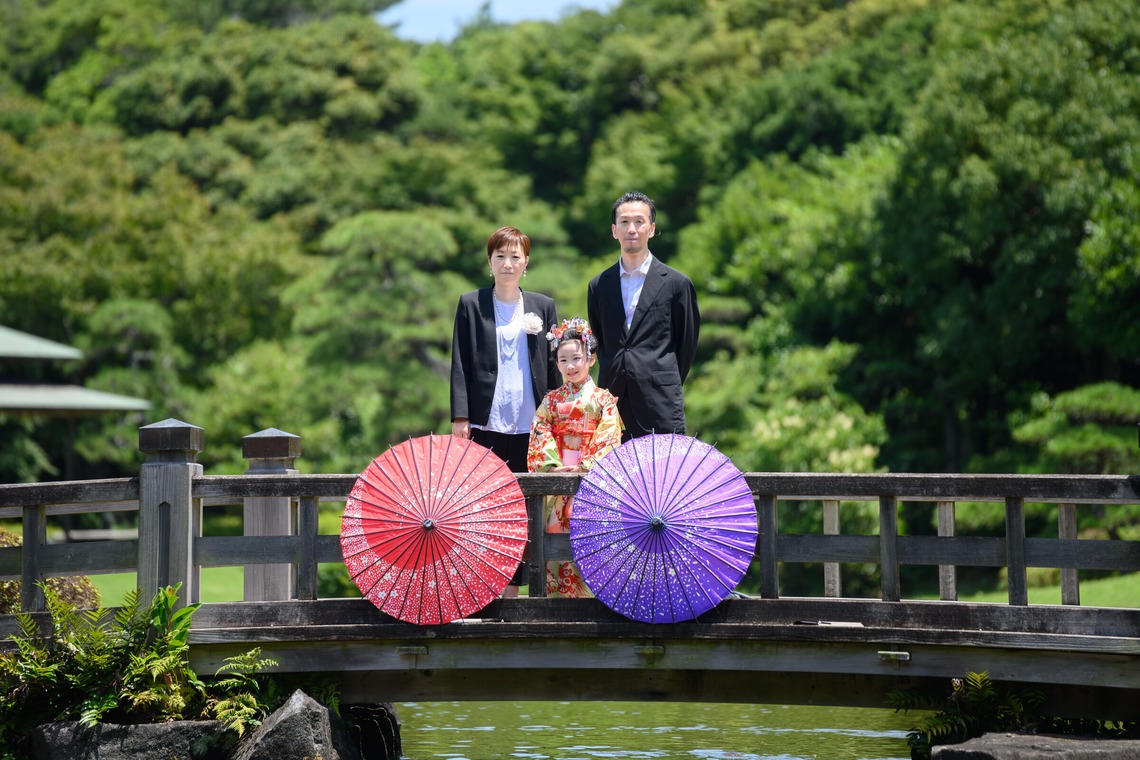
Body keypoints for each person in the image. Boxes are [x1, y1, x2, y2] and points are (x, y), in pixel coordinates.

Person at [586, 191, 700, 440]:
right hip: (612, 400)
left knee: (665, 474)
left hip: (660, 401)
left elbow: (686, 344)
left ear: (652, 228)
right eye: (624, 222)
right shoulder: (598, 285)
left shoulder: (676, 283)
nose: (632, 229)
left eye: (639, 221)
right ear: (614, 230)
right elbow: (601, 341)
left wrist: (656, 375)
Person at [527, 317, 623, 598]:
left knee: (591, 539)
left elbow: (608, 437)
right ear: (556, 364)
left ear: (590, 360)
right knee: (555, 541)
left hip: (591, 480)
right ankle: (553, 608)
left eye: (576, 358)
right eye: (563, 359)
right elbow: (540, 433)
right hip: (557, 479)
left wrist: (585, 466)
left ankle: (595, 602)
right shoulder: (551, 401)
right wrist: (553, 467)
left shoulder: (604, 400)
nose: (570, 366)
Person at [450, 226, 560, 472]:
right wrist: (460, 416)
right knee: (486, 492)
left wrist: (557, 415)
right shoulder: (471, 304)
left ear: (526, 262)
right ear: (489, 261)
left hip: (532, 418)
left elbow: (553, 365)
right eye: (500, 256)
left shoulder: (543, 305)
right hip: (486, 419)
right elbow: (460, 361)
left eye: (515, 257)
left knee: (530, 495)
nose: (507, 264)